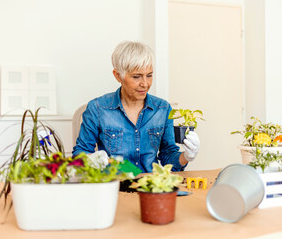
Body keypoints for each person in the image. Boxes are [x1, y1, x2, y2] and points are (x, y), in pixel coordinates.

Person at [72, 41, 200, 172]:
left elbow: (168, 157)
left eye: (149, 75)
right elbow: (79, 154)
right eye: (136, 77)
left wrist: (187, 156)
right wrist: (94, 159)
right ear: (118, 76)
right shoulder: (98, 109)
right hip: (115, 186)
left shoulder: (162, 109)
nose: (145, 84)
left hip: (150, 187)